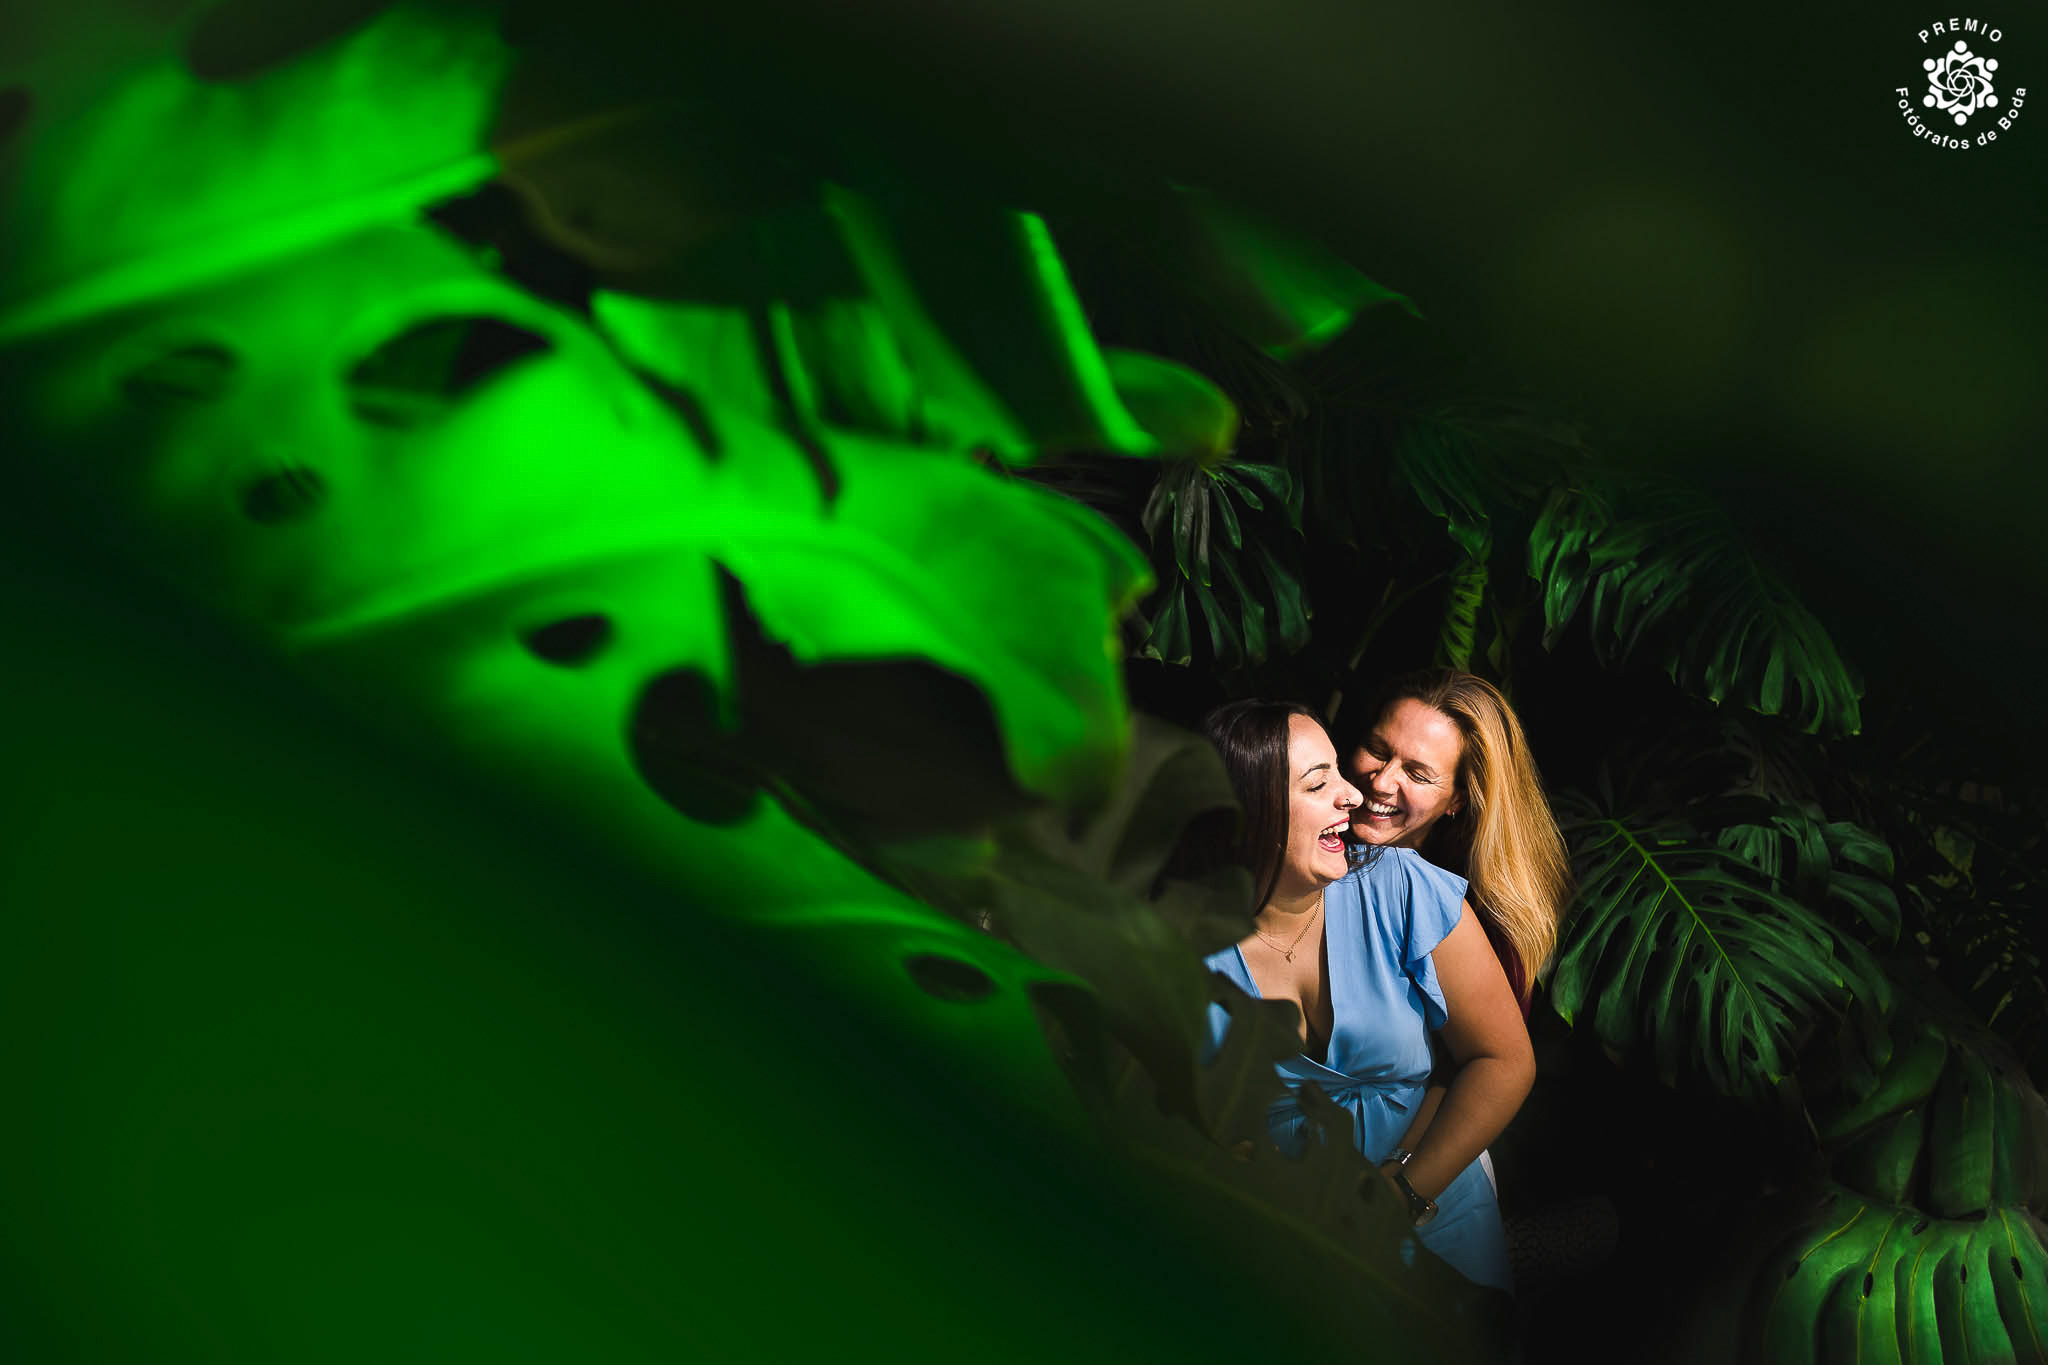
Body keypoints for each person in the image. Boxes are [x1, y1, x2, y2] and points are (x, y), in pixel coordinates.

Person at [1200, 699, 1534, 1294]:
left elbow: (1499, 1058)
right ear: (1252, 809)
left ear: (1456, 800)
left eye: (1420, 773)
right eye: (1320, 780)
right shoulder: (1181, 950)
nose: (1360, 792)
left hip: (1432, 1202)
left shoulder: (1403, 883)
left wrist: (1399, 1192)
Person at [1340, 669, 1570, 1019]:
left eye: (1417, 775)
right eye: (1377, 749)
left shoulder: (1477, 917)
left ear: (1457, 801)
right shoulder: (1302, 844)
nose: (1383, 781)